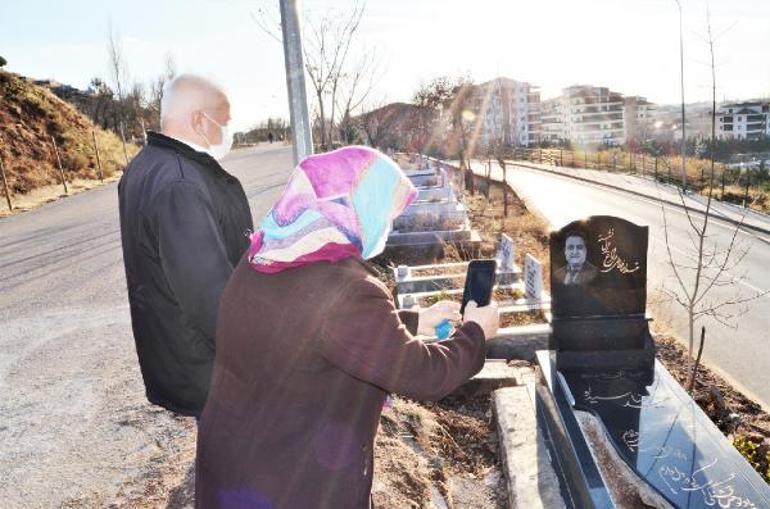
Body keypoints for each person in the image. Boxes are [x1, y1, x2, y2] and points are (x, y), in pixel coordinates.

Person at [195, 146, 499, 508]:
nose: (387, 226)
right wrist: (476, 332)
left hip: (237, 468)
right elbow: (425, 375)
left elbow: (309, 333)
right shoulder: (348, 290)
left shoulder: (268, 255)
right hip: (296, 485)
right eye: (386, 214)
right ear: (357, 206)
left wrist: (415, 323)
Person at [118, 74, 253, 418]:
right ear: (198, 120)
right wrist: (257, 361)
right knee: (234, 459)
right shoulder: (181, 183)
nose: (228, 129)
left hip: (179, 353)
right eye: (224, 120)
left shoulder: (143, 167)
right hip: (209, 371)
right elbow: (209, 299)